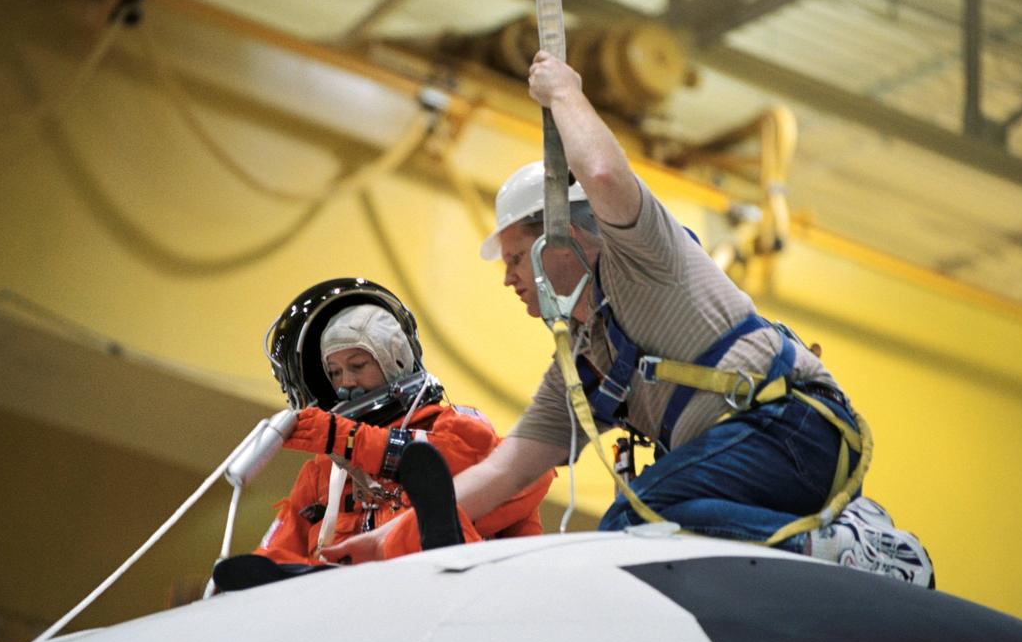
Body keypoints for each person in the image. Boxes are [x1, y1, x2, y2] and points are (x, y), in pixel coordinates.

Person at [324, 52, 933, 588]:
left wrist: (565, 93)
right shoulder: (581, 363)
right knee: (645, 538)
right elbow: (506, 471)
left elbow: (608, 175)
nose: (508, 277)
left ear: (558, 236)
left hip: (792, 429)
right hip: (758, 460)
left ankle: (839, 552)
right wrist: (392, 537)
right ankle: (830, 543)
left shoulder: (644, 257)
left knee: (635, 522)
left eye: (514, 258)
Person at [252, 277, 553, 566]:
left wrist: (348, 438)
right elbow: (277, 548)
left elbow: (468, 465)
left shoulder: (455, 425)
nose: (346, 383)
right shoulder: (323, 472)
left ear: (394, 360)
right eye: (334, 372)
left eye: (357, 365)